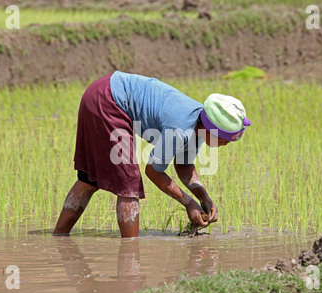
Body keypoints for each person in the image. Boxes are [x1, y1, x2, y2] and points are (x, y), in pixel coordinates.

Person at [52, 71, 250, 238]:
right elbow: (153, 171)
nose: (225, 144)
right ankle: (131, 253)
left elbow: (184, 165)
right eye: (225, 139)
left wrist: (203, 198)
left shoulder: (198, 123)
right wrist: (188, 202)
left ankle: (59, 237)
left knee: (90, 179)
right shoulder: (180, 129)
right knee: (129, 183)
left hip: (101, 91)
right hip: (109, 100)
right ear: (211, 129)